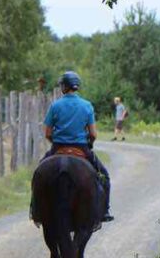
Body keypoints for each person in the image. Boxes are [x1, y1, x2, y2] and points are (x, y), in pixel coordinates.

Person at [38, 71, 113, 222]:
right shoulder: (87, 106)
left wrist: (56, 142)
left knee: (39, 172)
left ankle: (36, 209)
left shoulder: (55, 105)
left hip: (58, 146)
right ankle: (104, 211)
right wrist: (89, 143)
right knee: (104, 176)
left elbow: (47, 133)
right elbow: (93, 134)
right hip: (81, 147)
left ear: (64, 87)